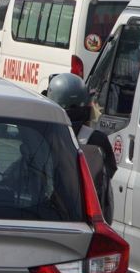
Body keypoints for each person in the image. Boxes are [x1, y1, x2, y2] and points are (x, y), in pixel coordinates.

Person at [46, 72, 116, 223]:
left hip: (49, 218)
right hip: (89, 222)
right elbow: (110, 171)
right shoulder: (98, 139)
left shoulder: (44, 136)